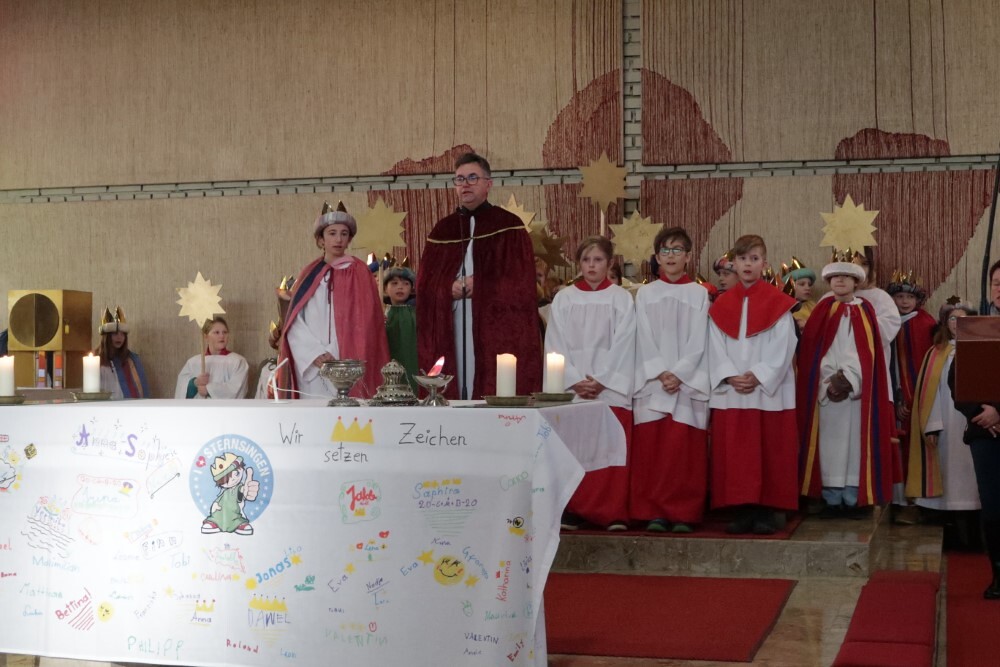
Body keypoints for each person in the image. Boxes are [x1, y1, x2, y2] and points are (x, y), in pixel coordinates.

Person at [416, 152, 541, 399]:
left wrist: (481, 284)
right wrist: (446, 287)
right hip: (452, 321)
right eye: (459, 179)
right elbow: (424, 284)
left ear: (488, 184)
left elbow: (520, 282)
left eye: (472, 178)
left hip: (493, 327)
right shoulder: (443, 229)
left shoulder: (509, 226)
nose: (465, 184)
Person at [707, 234, 798, 534]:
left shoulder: (779, 304)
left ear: (764, 264)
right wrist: (728, 374)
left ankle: (766, 512)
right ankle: (742, 510)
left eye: (754, 259)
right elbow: (714, 344)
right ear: (734, 263)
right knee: (737, 453)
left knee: (770, 450)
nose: (748, 264)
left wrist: (758, 374)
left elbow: (784, 345)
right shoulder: (721, 305)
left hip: (767, 391)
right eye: (743, 258)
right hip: (733, 391)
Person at [545, 236, 636, 531]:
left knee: (611, 449)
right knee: (576, 448)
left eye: (598, 260)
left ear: (609, 263)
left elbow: (626, 344)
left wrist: (602, 380)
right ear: (579, 263)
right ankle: (575, 509)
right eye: (586, 260)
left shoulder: (621, 299)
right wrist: (574, 380)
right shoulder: (565, 299)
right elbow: (554, 344)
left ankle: (613, 511)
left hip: (609, 390)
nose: (592, 266)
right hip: (577, 391)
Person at [797, 258, 895, 517]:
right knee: (828, 446)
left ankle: (854, 499)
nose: (840, 280)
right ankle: (830, 499)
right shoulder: (822, 310)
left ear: (856, 282)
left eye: (846, 276)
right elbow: (814, 350)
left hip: (855, 394)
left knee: (855, 445)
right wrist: (829, 379)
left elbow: (867, 351)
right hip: (826, 392)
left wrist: (848, 379)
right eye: (835, 277)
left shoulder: (866, 311)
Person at [631, 227, 710, 533]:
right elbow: (642, 335)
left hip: (686, 384)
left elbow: (700, 338)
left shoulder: (699, 294)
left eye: (678, 250)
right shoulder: (646, 293)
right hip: (653, 382)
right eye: (665, 250)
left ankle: (683, 513)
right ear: (657, 257)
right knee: (653, 450)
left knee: (682, 452)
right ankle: (654, 512)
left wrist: (679, 373)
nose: (671, 256)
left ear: (688, 256)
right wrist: (660, 371)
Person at [276, 202, 390, 399]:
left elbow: (369, 321)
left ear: (349, 239)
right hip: (313, 363)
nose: (338, 239)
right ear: (321, 240)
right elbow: (293, 320)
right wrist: (314, 352)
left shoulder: (360, 272)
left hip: (348, 360)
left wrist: (341, 352)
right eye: (332, 233)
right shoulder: (309, 274)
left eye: (344, 234)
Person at [907, 301, 980, 526]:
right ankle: (943, 511)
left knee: (971, 467)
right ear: (945, 323)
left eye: (962, 318)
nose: (957, 323)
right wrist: (933, 425)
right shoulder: (936, 353)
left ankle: (971, 510)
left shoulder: (979, 349)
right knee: (946, 466)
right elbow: (930, 393)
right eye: (952, 318)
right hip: (946, 422)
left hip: (972, 419)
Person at [952, 259, 1000, 599]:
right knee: (993, 505)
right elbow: (957, 380)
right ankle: (999, 573)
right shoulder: (977, 328)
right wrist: (981, 412)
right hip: (985, 433)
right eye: (996, 283)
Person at [886, 271, 936, 523]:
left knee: (914, 449)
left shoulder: (924, 324)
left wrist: (910, 398)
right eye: (899, 297)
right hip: (892, 397)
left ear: (918, 300)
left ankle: (913, 503)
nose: (904, 302)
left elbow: (924, 367)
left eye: (909, 297)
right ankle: (894, 500)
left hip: (917, 399)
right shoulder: (887, 321)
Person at [175, 316, 249, 400]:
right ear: (206, 336)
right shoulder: (193, 362)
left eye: (225, 332)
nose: (222, 336)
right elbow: (181, 389)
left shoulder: (238, 361)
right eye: (216, 332)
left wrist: (209, 389)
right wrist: (195, 383)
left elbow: (236, 389)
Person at [96, 306, 149, 400]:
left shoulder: (132, 360)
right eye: (115, 334)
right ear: (107, 337)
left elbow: (142, 390)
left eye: (122, 334)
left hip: (127, 406)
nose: (119, 337)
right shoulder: (95, 360)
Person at [383, 266, 418, 391]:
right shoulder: (383, 312)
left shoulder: (415, 313)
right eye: (394, 283)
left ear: (412, 288)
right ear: (385, 289)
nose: (400, 287)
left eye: (406, 284)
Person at [783, 263, 817, 332]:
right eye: (802, 284)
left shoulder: (814, 306)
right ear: (790, 286)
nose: (807, 288)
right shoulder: (785, 308)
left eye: (809, 285)